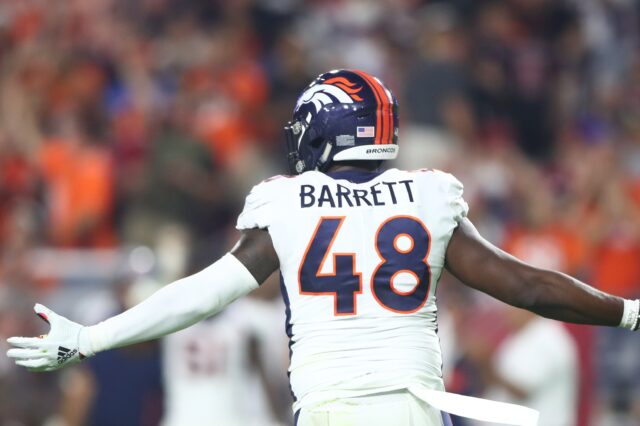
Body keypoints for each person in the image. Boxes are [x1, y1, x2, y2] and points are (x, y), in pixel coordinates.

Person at [6, 70, 639, 426]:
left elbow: (202, 293)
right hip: (416, 412)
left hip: (336, 412)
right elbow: (526, 286)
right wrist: (631, 311)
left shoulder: (286, 202)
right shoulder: (428, 195)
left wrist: (92, 338)